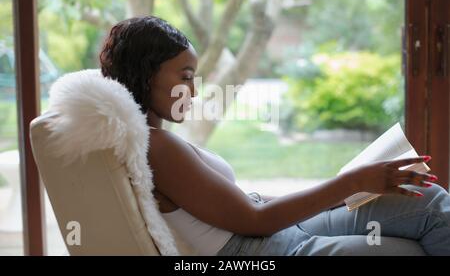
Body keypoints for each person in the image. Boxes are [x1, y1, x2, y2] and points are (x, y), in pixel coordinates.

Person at [99, 15, 450, 256]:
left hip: (276, 231)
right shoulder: (155, 146)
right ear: (146, 75)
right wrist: (352, 182)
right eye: (185, 76)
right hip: (265, 248)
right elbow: (254, 223)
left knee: (429, 201)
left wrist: (347, 188)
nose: (193, 88)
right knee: (411, 245)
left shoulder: (156, 139)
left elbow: (247, 208)